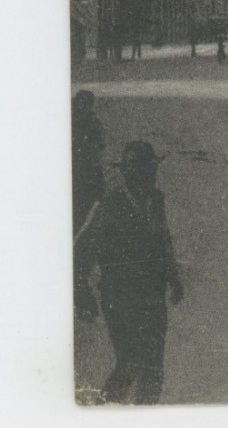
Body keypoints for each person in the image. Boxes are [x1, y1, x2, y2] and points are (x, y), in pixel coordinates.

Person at [80, 141, 184, 404]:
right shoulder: (110, 205)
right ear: (127, 173)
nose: (150, 176)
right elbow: (85, 248)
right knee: (130, 363)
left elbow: (163, 239)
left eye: (152, 170)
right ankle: (100, 415)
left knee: (154, 369)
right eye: (142, 171)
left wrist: (173, 277)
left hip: (152, 296)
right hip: (120, 298)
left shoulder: (156, 199)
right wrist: (81, 290)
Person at [71, 91, 106, 317]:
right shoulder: (91, 124)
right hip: (83, 183)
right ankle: (78, 283)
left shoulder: (70, 123)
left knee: (82, 231)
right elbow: (100, 148)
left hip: (81, 183)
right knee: (85, 232)